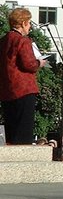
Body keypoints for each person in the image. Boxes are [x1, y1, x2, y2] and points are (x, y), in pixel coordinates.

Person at [0, 8, 46, 144]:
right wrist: (39, 62)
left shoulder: (3, 41)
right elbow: (29, 64)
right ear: (24, 23)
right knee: (24, 129)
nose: (30, 26)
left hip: (7, 90)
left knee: (12, 128)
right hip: (24, 89)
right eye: (29, 23)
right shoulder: (23, 41)